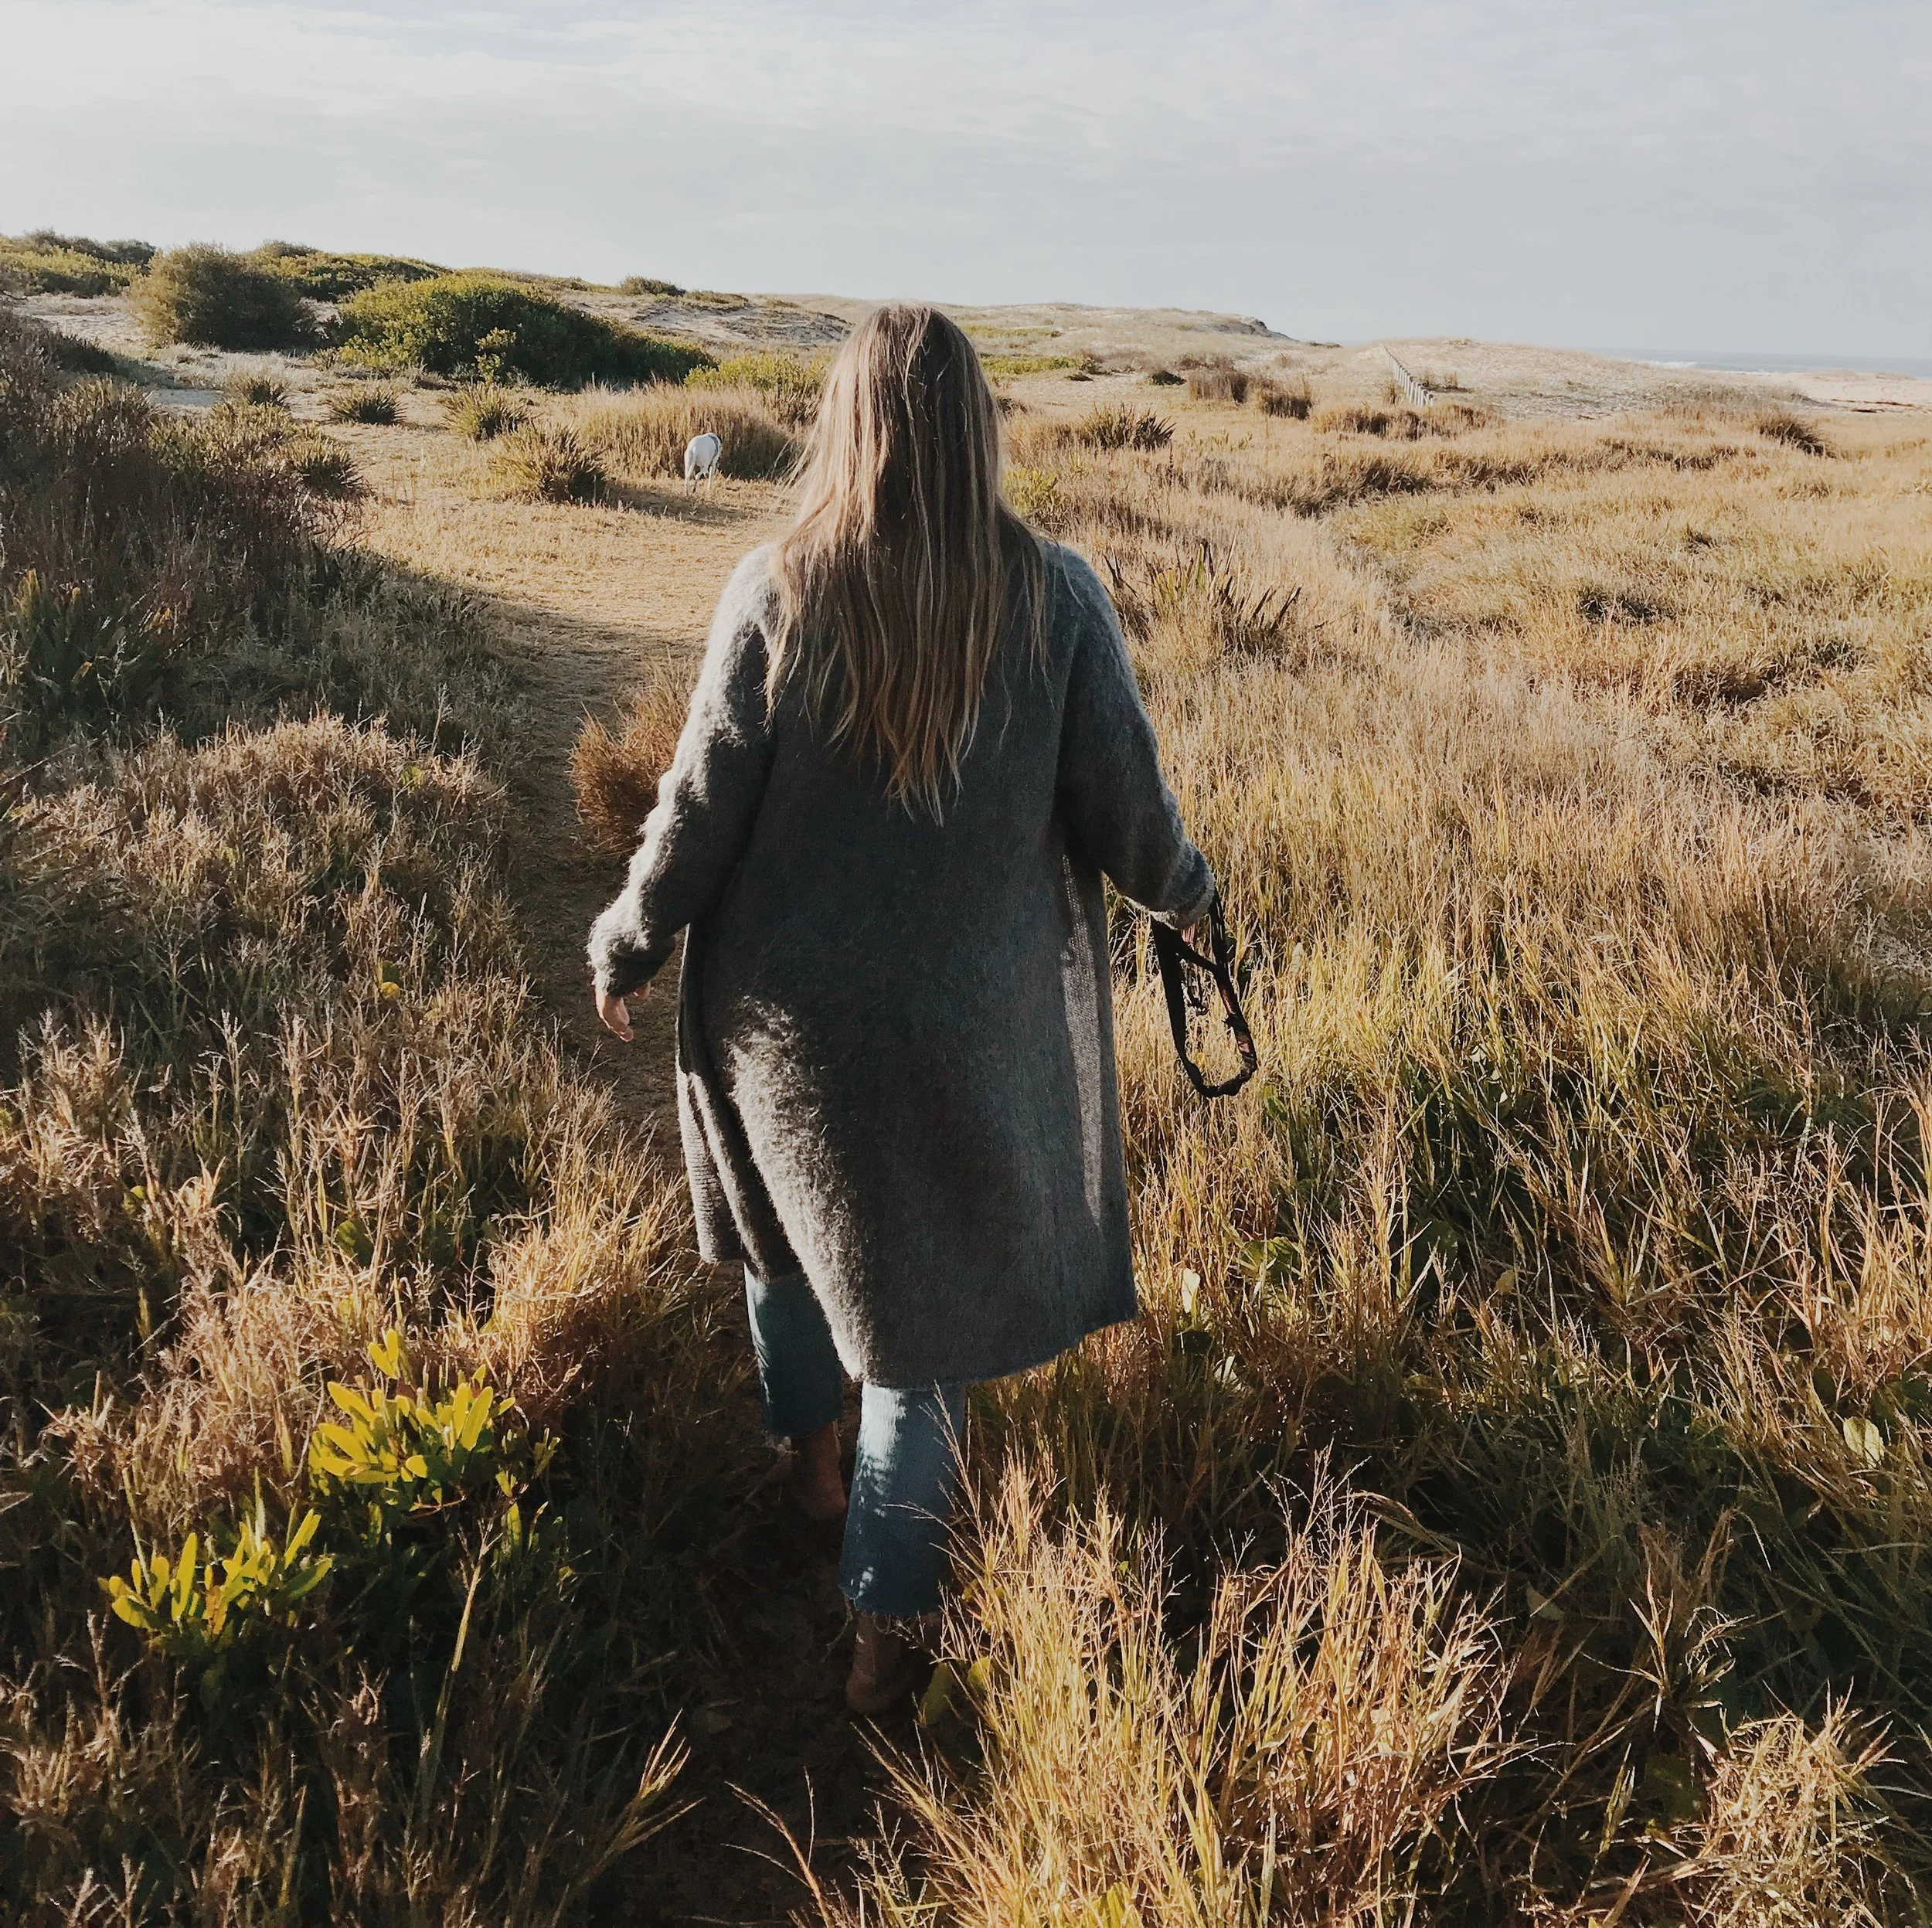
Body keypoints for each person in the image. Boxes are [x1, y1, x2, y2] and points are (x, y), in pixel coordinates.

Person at [587, 303, 1213, 1714]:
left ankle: (808, 1471)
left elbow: (697, 813)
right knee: (918, 1335)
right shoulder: (1055, 597)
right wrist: (1188, 889)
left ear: (845, 427)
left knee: (786, 1240)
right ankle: (883, 1641)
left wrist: (629, 938)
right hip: (963, 1043)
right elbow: (1127, 814)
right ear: (979, 427)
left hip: (782, 1036)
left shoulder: (775, 587)